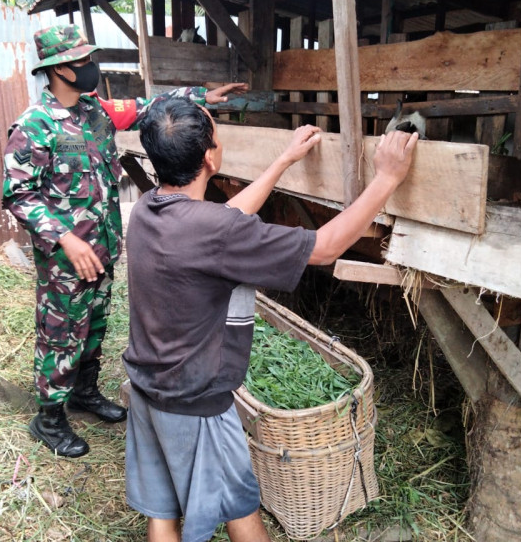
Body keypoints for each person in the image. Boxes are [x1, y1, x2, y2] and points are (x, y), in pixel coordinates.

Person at [122, 97, 418, 542]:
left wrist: (282, 162)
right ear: (209, 156)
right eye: (214, 132)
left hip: (148, 384)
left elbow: (223, 220)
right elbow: (324, 247)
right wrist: (387, 177)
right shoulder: (213, 231)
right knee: (242, 507)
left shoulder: (149, 208)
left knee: (163, 508)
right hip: (195, 400)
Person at [3, 24, 247, 458]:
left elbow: (146, 107)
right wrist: (65, 240)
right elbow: (18, 194)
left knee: (94, 328)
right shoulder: (34, 125)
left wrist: (200, 96)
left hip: (103, 248)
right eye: (81, 60)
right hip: (66, 260)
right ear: (58, 68)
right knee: (61, 335)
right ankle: (49, 417)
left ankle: (84, 392)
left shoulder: (95, 112)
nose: (89, 67)